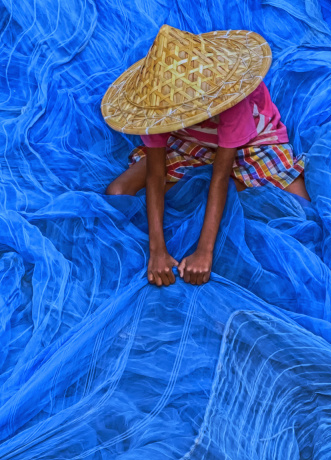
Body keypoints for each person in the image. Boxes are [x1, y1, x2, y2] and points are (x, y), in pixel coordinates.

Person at [101, 24, 309, 287]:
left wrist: (204, 252)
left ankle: (235, 189)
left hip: (249, 142)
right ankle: (216, 191)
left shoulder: (230, 98)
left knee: (299, 208)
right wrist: (157, 252)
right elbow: (155, 174)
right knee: (117, 193)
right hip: (187, 142)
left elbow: (220, 175)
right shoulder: (154, 106)